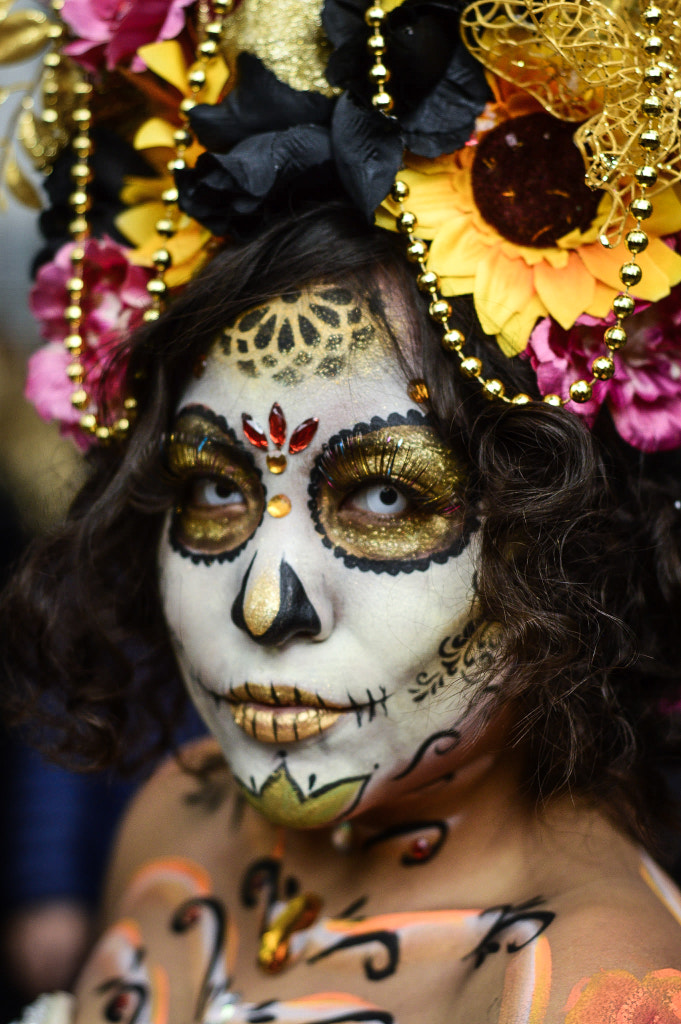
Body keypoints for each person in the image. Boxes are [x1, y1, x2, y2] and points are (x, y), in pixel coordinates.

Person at [2, 1, 681, 1021]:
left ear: (563, 539)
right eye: (216, 488)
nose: (265, 606)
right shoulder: (178, 810)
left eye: (383, 494)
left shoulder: (574, 978)